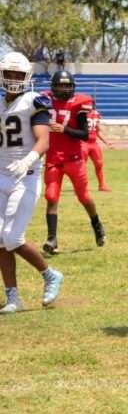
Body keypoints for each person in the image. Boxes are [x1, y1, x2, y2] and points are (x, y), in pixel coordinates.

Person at [0, 52, 64, 313]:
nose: (13, 79)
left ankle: (50, 274)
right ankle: (13, 297)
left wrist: (27, 160)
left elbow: (43, 140)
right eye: (9, 74)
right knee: (0, 240)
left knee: (12, 237)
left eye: (18, 74)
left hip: (25, 177)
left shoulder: (33, 101)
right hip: (1, 175)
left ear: (26, 77)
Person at [42, 70, 106, 254]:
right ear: (53, 86)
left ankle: (96, 223)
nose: (63, 89)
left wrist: (64, 129)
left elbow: (85, 134)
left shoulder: (79, 104)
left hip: (74, 158)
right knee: (51, 196)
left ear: (72, 87)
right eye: (60, 85)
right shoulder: (45, 100)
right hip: (53, 157)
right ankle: (52, 239)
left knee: (84, 196)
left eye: (66, 85)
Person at [84, 101, 113, 192]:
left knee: (99, 163)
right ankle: (82, 186)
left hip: (93, 143)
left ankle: (102, 185)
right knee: (82, 165)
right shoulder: (81, 114)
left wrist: (106, 142)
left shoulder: (96, 114)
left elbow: (98, 130)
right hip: (82, 142)